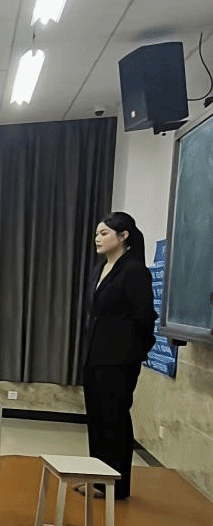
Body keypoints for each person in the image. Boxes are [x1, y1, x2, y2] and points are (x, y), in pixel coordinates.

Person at [82, 212, 157, 501]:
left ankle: (117, 485)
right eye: (97, 233)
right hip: (95, 355)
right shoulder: (100, 268)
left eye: (104, 233)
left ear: (123, 236)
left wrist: (133, 353)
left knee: (114, 420)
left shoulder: (134, 271)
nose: (97, 238)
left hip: (119, 359)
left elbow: (144, 318)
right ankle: (97, 478)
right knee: (97, 419)